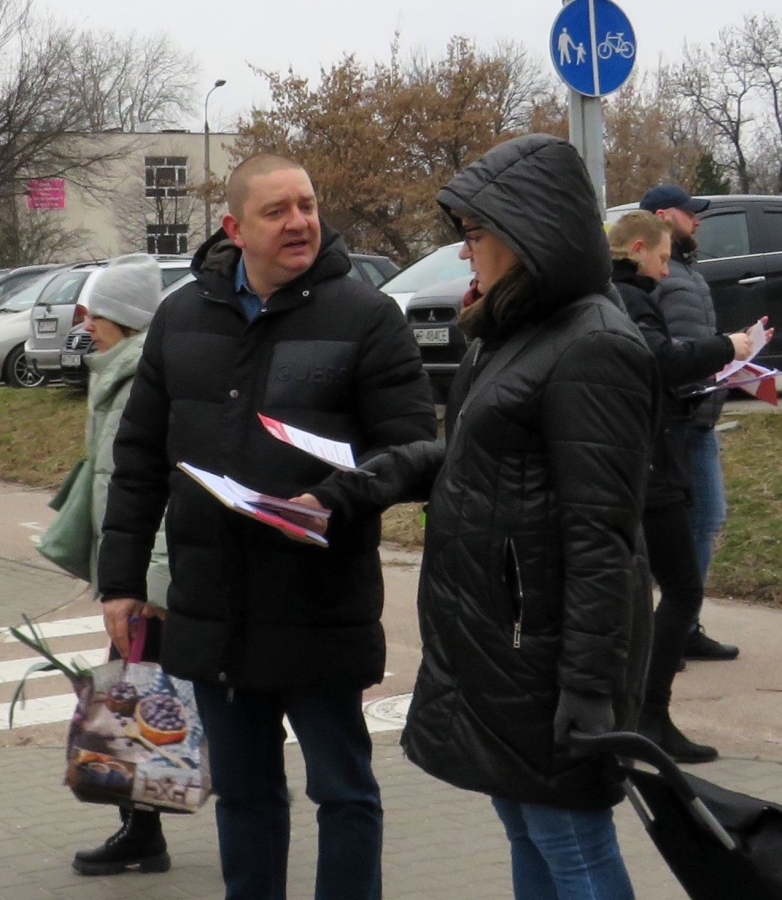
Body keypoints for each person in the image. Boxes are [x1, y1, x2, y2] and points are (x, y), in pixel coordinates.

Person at [303, 134, 659, 900]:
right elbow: (471, 455)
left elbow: (602, 536)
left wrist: (588, 686)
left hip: (545, 651)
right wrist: (353, 487)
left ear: (529, 234)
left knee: (571, 842)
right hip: (500, 641)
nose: (465, 252)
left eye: (475, 234)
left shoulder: (594, 347)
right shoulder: (515, 332)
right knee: (527, 825)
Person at [96, 153, 437, 900]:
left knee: (343, 791)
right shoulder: (182, 317)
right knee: (245, 795)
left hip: (319, 603)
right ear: (234, 228)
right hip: (213, 608)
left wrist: (334, 499)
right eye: (277, 211)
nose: (299, 222)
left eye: (307, 206)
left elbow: (415, 450)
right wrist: (119, 581)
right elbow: (139, 460)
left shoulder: (365, 316)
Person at [608, 211, 770, 763]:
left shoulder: (614, 295)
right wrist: (728, 348)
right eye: (661, 257)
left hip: (643, 455)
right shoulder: (629, 299)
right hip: (647, 464)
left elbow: (646, 373)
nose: (666, 269)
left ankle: (635, 712)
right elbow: (659, 360)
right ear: (637, 248)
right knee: (681, 589)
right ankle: (650, 716)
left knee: (642, 590)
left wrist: (714, 379)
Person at [67, 254, 172, 876]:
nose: (86, 325)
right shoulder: (117, 372)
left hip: (150, 581)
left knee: (134, 704)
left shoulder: (139, 381)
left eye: (95, 313)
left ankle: (145, 832)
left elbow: (154, 489)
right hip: (134, 573)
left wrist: (147, 580)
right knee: (133, 702)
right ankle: (142, 828)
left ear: (125, 319)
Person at [639, 184, 741, 662]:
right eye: (690, 213)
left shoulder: (689, 272)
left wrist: (735, 363)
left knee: (707, 517)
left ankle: (683, 623)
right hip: (672, 419)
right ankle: (658, 628)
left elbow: (693, 339)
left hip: (701, 414)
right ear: (664, 216)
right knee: (666, 529)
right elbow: (658, 349)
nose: (697, 220)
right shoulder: (654, 276)